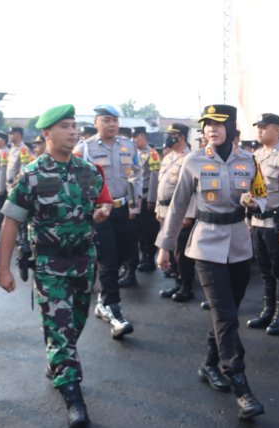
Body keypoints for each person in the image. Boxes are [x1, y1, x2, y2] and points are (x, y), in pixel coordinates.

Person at [0, 105, 112, 428]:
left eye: (75, 126)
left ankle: (57, 359)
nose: (73, 132)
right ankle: (73, 394)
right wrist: (3, 269)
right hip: (50, 263)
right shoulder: (31, 175)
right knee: (60, 327)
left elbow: (102, 203)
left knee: (75, 322)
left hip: (84, 261)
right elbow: (10, 222)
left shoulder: (89, 171)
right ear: (46, 133)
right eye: (65, 126)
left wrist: (102, 212)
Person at [156, 104, 267, 420]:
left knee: (226, 313)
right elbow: (177, 208)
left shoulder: (249, 160)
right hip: (205, 245)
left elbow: (263, 197)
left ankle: (208, 364)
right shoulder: (194, 161)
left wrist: (254, 203)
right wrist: (165, 247)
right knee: (226, 314)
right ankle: (241, 385)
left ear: (231, 127)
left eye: (218, 124)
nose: (211, 130)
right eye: (206, 125)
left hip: (239, 245)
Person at [73, 104, 141, 337]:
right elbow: (76, 182)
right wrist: (88, 210)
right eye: (106, 120)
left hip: (123, 210)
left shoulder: (128, 145)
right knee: (108, 259)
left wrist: (134, 205)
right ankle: (114, 310)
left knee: (125, 253)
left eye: (114, 120)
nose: (111, 124)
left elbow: (135, 175)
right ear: (96, 123)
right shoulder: (85, 149)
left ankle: (103, 300)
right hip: (101, 213)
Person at [246, 114, 279, 336]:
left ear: (276, 130)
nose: (259, 131)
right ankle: (268, 310)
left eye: (263, 127)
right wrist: (248, 217)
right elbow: (253, 189)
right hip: (259, 221)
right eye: (258, 127)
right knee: (265, 271)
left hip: (276, 224)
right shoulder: (256, 155)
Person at [155, 123, 196, 302]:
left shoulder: (190, 158)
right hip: (165, 211)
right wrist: (158, 208)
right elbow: (161, 184)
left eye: (172, 134)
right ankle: (177, 282)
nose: (168, 137)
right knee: (170, 250)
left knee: (182, 253)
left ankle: (186, 286)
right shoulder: (169, 157)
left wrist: (188, 215)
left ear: (181, 137)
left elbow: (192, 190)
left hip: (180, 213)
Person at [132, 126, 161, 272]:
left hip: (146, 197)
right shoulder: (132, 153)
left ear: (143, 137)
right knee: (138, 230)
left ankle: (149, 258)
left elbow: (155, 177)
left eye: (136, 137)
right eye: (132, 137)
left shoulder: (152, 154)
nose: (133, 140)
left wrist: (152, 199)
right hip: (134, 198)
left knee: (148, 229)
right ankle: (143, 256)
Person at [5, 127, 32, 194]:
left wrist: (18, 185)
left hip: (16, 185)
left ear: (18, 135)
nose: (9, 136)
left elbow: (24, 168)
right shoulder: (12, 148)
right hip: (9, 184)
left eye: (11, 133)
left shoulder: (23, 149)